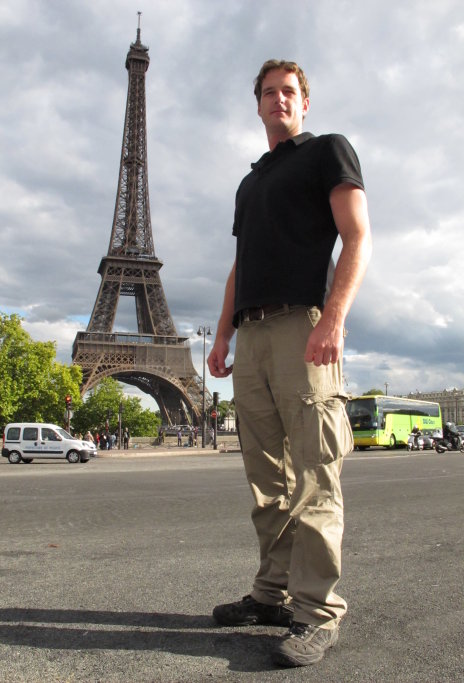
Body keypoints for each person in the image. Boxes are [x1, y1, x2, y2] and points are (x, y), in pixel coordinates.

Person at [207, 59, 372, 668]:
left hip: (301, 324)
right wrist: (222, 337)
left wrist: (333, 318)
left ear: (304, 101)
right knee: (266, 478)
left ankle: (318, 611)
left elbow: (356, 235)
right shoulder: (249, 183)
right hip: (250, 336)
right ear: (257, 105)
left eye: (289, 91)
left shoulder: (327, 151)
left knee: (315, 471)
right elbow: (237, 266)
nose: (279, 99)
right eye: (269, 92)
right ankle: (271, 594)